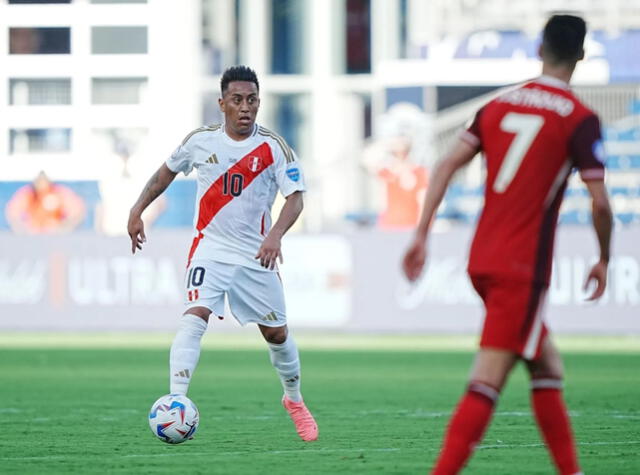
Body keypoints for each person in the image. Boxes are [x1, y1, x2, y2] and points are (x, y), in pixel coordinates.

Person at [402, 15, 612, 474]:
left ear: (539, 49)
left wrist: (420, 234)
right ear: (580, 56)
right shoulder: (580, 120)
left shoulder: (498, 106)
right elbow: (599, 205)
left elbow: (443, 166)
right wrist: (603, 258)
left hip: (481, 258)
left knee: (546, 368)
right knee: (487, 380)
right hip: (522, 268)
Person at [127, 65, 318, 442]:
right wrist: (137, 210)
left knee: (276, 334)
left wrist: (275, 235)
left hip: (255, 256)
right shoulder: (201, 142)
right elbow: (164, 175)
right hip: (209, 250)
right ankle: (176, 401)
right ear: (222, 104)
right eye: (237, 100)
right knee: (194, 315)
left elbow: (295, 199)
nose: (245, 108)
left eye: (252, 100)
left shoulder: (275, 148)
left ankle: (294, 400)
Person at [365, 135, 428, 230]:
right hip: (389, 225)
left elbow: (423, 200)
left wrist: (422, 226)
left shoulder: (419, 172)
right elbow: (367, 160)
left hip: (410, 225)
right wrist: (385, 145)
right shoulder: (388, 172)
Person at [5, 171, 85, 234]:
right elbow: (12, 213)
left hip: (55, 236)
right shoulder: (28, 193)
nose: (42, 184)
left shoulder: (59, 192)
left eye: (43, 181)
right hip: (32, 237)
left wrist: (64, 227)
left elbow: (77, 211)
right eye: (39, 181)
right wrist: (23, 229)